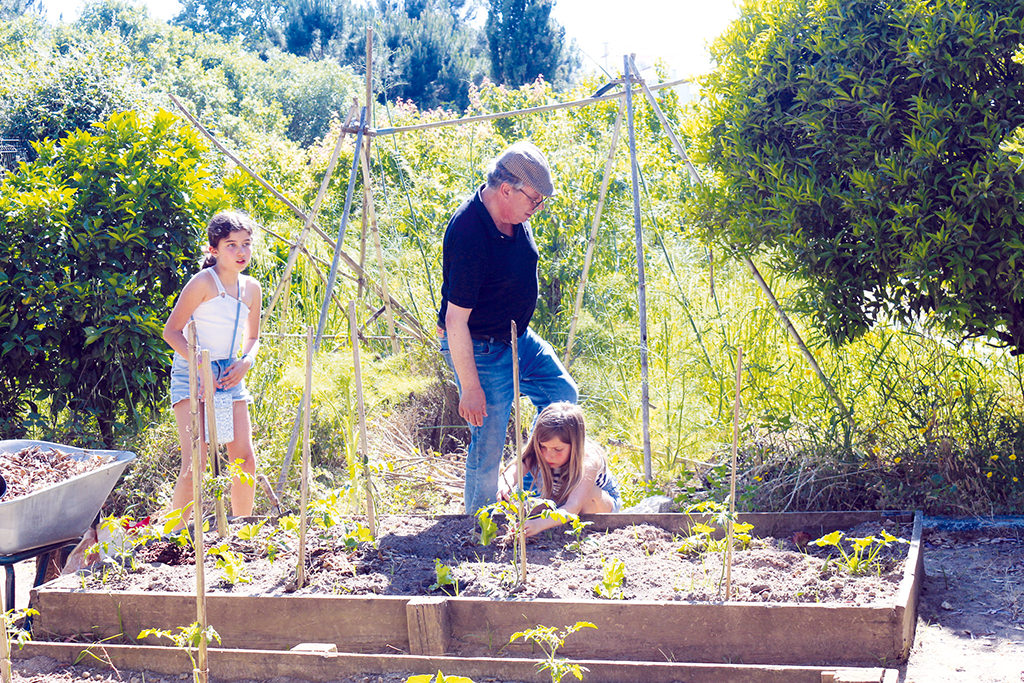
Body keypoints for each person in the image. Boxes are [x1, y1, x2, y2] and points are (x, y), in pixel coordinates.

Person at [438, 140, 578, 515]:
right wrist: (471, 388)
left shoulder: (515, 215)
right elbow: (455, 319)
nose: (538, 208)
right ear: (506, 190)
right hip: (480, 346)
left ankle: (524, 493)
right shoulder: (470, 233)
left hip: (517, 337)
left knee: (561, 395)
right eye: (534, 199)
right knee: (489, 442)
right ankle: (478, 526)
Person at [162, 211, 263, 524]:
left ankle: (242, 532)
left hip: (230, 373)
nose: (240, 251)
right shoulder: (203, 282)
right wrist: (200, 367)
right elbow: (171, 332)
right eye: (231, 245)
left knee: (244, 460)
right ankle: (174, 536)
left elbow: (253, 337)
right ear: (214, 250)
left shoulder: (251, 288)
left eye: (246, 244)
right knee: (197, 463)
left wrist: (246, 362)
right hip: (192, 370)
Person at [498, 402, 621, 537]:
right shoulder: (541, 450)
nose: (548, 455)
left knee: (587, 495)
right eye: (543, 447)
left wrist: (538, 524)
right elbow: (518, 467)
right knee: (519, 508)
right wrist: (505, 484)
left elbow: (573, 506)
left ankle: (582, 534)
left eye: (558, 449)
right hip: (560, 500)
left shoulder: (588, 459)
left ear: (575, 444)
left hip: (599, 504)